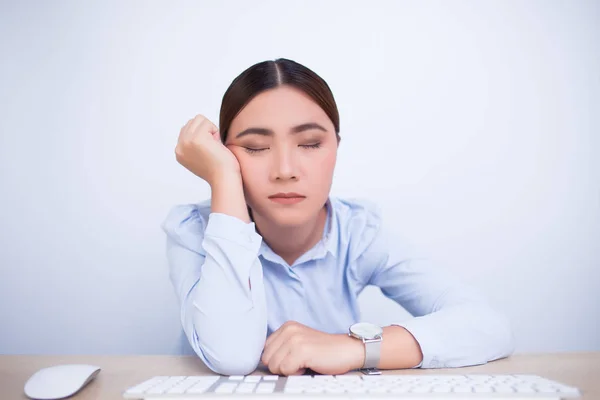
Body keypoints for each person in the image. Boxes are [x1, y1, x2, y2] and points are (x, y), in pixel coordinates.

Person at [162, 58, 515, 376]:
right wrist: (223, 179)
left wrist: (352, 348)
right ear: (222, 154)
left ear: (336, 148)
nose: (285, 170)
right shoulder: (194, 230)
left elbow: (488, 326)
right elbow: (232, 356)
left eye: (310, 144)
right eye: (255, 148)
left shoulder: (358, 232)